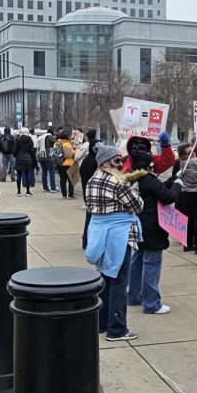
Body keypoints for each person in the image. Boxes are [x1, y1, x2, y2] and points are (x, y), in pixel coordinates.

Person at [85, 144, 144, 341]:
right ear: (107, 162)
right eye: (118, 160)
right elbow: (137, 205)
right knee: (119, 280)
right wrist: (134, 190)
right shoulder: (118, 182)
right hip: (118, 235)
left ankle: (101, 322)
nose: (121, 164)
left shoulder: (93, 179)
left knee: (104, 278)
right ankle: (117, 329)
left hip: (99, 233)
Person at [128, 150, 184, 314]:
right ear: (148, 165)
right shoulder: (148, 180)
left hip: (138, 224)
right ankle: (152, 303)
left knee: (136, 262)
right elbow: (168, 197)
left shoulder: (133, 179)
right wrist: (178, 185)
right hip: (152, 227)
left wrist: (173, 179)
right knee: (151, 264)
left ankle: (133, 296)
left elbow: (158, 189)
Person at [172, 143, 197, 254]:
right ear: (182, 155)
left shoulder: (184, 163)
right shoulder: (191, 163)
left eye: (193, 151)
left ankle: (188, 243)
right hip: (192, 192)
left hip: (187, 192)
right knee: (195, 219)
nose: (192, 154)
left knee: (190, 219)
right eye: (188, 153)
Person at [79, 129, 101, 248]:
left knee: (89, 218)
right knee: (93, 220)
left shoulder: (86, 161)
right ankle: (88, 240)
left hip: (87, 193)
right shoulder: (95, 163)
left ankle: (86, 240)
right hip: (94, 194)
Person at [13, 127, 38, 196]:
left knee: (19, 175)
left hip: (19, 158)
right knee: (27, 175)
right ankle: (27, 191)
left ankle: (19, 192)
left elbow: (15, 150)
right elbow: (32, 151)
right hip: (28, 159)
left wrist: (16, 156)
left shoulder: (18, 140)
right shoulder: (30, 140)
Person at [53, 130, 76, 198]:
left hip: (60, 163)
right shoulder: (67, 144)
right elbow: (69, 155)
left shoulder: (57, 143)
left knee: (62, 180)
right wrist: (76, 151)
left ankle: (64, 194)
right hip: (68, 164)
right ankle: (71, 194)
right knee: (70, 180)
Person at [36, 127, 57, 193]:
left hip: (41, 156)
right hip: (48, 156)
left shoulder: (41, 137)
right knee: (51, 172)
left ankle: (45, 188)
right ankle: (53, 188)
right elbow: (56, 143)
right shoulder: (50, 137)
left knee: (44, 173)